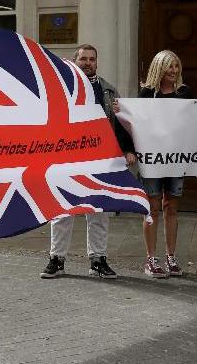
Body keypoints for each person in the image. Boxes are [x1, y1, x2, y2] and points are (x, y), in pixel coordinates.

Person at [41, 44, 133, 279]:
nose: (88, 63)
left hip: (101, 158)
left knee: (99, 210)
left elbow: (122, 124)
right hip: (67, 157)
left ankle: (98, 260)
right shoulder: (63, 86)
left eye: (92, 59)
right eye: (83, 59)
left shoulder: (109, 90)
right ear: (75, 61)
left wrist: (127, 150)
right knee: (63, 209)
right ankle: (56, 259)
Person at [135, 50, 193, 278]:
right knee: (153, 209)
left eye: (176, 67)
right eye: (169, 66)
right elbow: (137, 121)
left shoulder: (184, 92)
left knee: (172, 208)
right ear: (159, 67)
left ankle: (171, 257)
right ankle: (151, 258)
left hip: (175, 158)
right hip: (153, 161)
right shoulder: (147, 93)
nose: (174, 71)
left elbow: (196, 118)